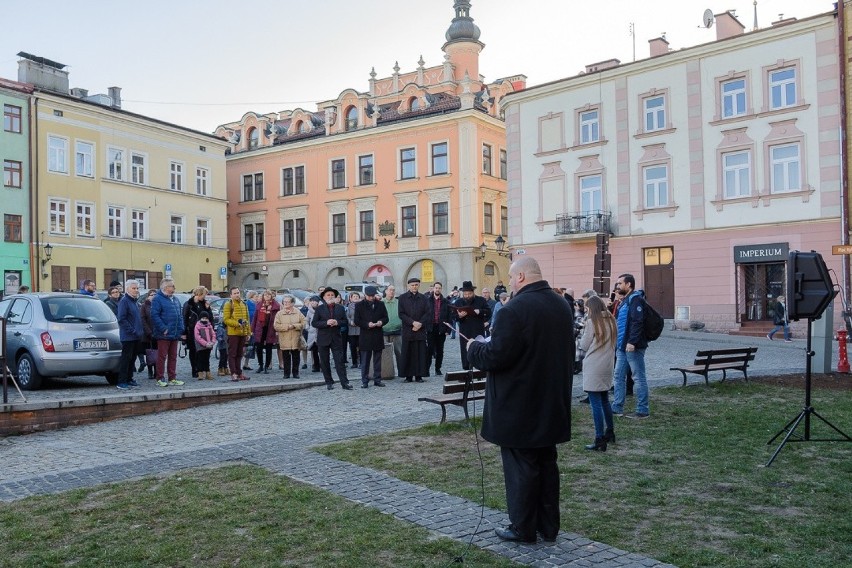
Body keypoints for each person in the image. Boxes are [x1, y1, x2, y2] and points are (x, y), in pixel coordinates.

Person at [467, 256, 573, 544]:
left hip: (520, 406)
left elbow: (495, 356)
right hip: (551, 401)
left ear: (522, 277)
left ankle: (523, 527)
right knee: (547, 466)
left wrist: (474, 347)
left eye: (512, 278)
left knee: (521, 469)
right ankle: (548, 526)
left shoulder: (513, 309)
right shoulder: (561, 305)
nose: (510, 283)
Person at [580, 295, 617, 451]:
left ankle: (599, 438)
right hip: (607, 364)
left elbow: (584, 345)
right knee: (604, 400)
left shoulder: (592, 322)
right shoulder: (611, 320)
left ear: (592, 309)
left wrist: (582, 331)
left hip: (594, 364)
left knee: (595, 403)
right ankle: (610, 432)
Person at [610, 273, 650, 419]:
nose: (617, 286)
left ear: (628, 285)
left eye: (620, 283)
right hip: (622, 346)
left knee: (638, 377)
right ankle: (617, 406)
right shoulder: (624, 301)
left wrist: (632, 342)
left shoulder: (636, 300)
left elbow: (637, 322)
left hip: (633, 346)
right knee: (618, 376)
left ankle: (642, 409)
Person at [312, 287, 352, 390]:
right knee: (324, 362)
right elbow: (314, 323)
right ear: (324, 297)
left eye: (332, 295)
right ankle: (329, 382)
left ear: (335, 297)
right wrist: (326, 323)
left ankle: (344, 382)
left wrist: (337, 322)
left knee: (340, 361)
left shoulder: (340, 308)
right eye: (328, 295)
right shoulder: (319, 309)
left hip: (336, 338)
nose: (330, 297)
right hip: (323, 339)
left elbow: (345, 321)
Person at [150, 278, 185, 387]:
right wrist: (163, 328)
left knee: (173, 357)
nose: (174, 288)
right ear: (165, 287)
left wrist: (181, 329)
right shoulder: (157, 299)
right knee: (162, 356)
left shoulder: (175, 299)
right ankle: (160, 378)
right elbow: (154, 315)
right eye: (172, 286)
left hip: (174, 333)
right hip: (164, 334)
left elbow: (180, 316)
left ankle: (172, 378)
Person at [354, 285, 389, 388]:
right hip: (365, 336)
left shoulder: (381, 304)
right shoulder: (359, 305)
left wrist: (381, 322)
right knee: (365, 360)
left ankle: (377, 379)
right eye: (369, 296)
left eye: (372, 296)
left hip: (377, 335)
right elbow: (357, 320)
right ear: (365, 295)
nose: (371, 298)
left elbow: (386, 318)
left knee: (377, 360)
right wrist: (366, 324)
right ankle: (365, 381)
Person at [397, 277, 430, 382]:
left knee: (420, 353)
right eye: (412, 285)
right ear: (408, 286)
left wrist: (420, 323)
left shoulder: (424, 298)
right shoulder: (402, 298)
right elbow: (401, 314)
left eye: (416, 285)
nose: (414, 287)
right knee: (408, 353)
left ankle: (419, 375)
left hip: (420, 330)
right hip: (408, 329)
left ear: (419, 285)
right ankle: (408, 376)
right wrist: (412, 323)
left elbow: (428, 313)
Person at [452, 280, 490, 370]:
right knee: (465, 351)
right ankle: (466, 369)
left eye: (469, 293)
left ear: (473, 292)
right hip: (465, 331)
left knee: (479, 349)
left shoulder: (481, 300)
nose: (467, 296)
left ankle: (479, 369)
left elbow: (488, 312)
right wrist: (459, 316)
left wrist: (479, 311)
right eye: (465, 294)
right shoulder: (459, 302)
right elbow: (454, 317)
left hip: (478, 330)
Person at [115, 279, 143, 390]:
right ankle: (121, 381)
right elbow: (121, 319)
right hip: (128, 336)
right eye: (134, 288)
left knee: (133, 359)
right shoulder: (124, 301)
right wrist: (132, 330)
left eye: (137, 288)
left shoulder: (135, 301)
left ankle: (129, 378)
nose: (136, 290)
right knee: (126, 359)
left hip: (136, 336)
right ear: (127, 289)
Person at [223, 286, 252, 382]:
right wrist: (237, 324)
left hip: (242, 333)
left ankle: (239, 372)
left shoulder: (244, 304)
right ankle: (233, 373)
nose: (237, 294)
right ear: (231, 295)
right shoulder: (228, 304)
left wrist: (248, 332)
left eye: (238, 292)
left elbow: (247, 319)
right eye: (234, 293)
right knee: (232, 354)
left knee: (240, 354)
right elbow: (226, 319)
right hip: (233, 333)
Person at [273, 294, 306, 379]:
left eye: (288, 302)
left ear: (292, 303)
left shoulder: (298, 312)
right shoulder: (279, 314)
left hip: (296, 338)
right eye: (284, 302)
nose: (286, 303)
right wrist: (287, 327)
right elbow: (276, 326)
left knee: (296, 357)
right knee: (286, 357)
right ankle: (286, 373)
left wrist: (295, 326)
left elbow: (304, 323)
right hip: (284, 339)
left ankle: (296, 373)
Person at [183, 286, 212, 379]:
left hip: (204, 331)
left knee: (204, 351)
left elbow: (209, 317)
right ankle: (195, 369)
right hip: (192, 330)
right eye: (204, 294)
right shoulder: (189, 304)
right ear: (199, 294)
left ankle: (203, 369)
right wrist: (184, 332)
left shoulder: (204, 304)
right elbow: (184, 318)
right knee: (194, 351)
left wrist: (208, 308)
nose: (205, 297)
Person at [426, 281, 452, 376]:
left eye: (439, 288)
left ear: (441, 289)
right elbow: (424, 314)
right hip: (431, 328)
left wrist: (448, 330)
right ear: (433, 288)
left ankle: (438, 368)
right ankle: (427, 369)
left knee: (440, 350)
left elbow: (450, 316)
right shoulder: (427, 301)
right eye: (436, 287)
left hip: (441, 328)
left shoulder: (446, 302)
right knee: (429, 349)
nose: (437, 289)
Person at [251, 290, 280, 373]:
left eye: (268, 295)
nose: (267, 296)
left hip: (270, 329)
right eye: (265, 295)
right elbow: (255, 318)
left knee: (269, 348)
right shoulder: (259, 305)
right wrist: (252, 329)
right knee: (259, 348)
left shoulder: (275, 306)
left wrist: (277, 330)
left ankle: (267, 366)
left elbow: (277, 318)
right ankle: (260, 365)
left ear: (271, 296)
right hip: (260, 328)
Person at [382, 285, 403, 376]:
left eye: (393, 290)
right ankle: (386, 373)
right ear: (386, 291)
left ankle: (402, 372)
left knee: (399, 353)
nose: (392, 292)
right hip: (384, 332)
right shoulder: (380, 303)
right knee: (385, 354)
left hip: (397, 331)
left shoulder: (399, 302)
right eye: (390, 290)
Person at [193, 311, 216, 380]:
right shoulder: (198, 326)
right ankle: (200, 373)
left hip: (209, 345)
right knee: (200, 359)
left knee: (207, 359)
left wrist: (212, 342)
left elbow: (213, 334)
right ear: (200, 318)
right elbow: (197, 337)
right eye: (203, 318)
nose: (204, 319)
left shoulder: (209, 325)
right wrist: (205, 343)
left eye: (206, 318)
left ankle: (207, 372)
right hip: (201, 346)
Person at [140, 289, 158, 379]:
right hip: (148, 334)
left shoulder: (158, 305)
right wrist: (149, 332)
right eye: (152, 295)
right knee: (149, 353)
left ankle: (157, 371)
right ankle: (150, 371)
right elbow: (143, 320)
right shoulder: (144, 306)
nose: (153, 296)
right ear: (148, 296)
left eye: (155, 294)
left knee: (157, 352)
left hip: (158, 333)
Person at [242, 290, 258, 370]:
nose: (257, 298)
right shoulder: (247, 304)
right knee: (244, 346)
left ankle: (246, 364)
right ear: (251, 297)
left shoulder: (256, 305)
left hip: (253, 328)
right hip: (248, 328)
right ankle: (239, 363)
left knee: (250, 347)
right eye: (256, 297)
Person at [305, 295, 321, 372]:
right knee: (314, 350)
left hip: (321, 332)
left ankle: (322, 365)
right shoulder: (309, 311)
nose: (313, 303)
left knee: (321, 350)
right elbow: (306, 321)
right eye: (312, 301)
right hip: (312, 332)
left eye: (315, 301)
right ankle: (315, 365)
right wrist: (308, 328)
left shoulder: (322, 309)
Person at [345, 292, 362, 368]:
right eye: (354, 296)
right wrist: (350, 322)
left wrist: (358, 322)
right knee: (353, 347)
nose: (355, 297)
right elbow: (347, 317)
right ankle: (354, 362)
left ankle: (362, 362)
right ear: (351, 299)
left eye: (357, 296)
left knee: (361, 346)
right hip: (351, 329)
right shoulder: (349, 307)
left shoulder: (362, 306)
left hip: (360, 329)